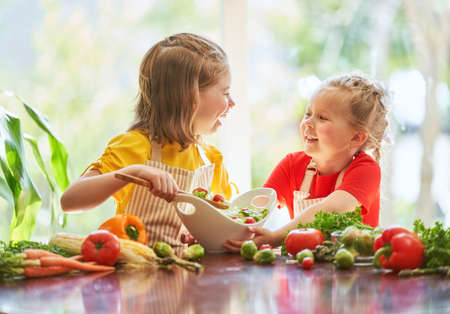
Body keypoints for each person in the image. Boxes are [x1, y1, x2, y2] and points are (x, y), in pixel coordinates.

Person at [61, 33, 235, 249]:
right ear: (189, 98)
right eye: (225, 93)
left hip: (190, 277)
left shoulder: (211, 159)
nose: (232, 103)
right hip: (135, 276)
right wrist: (134, 172)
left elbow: (228, 220)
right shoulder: (135, 146)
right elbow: (70, 200)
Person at [224, 72, 389, 251]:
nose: (307, 123)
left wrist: (276, 237)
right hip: (304, 273)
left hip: (353, 275)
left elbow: (332, 209)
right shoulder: (291, 165)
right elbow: (253, 209)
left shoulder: (366, 170)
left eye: (322, 118)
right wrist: (221, 230)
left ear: (356, 137)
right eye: (308, 113)